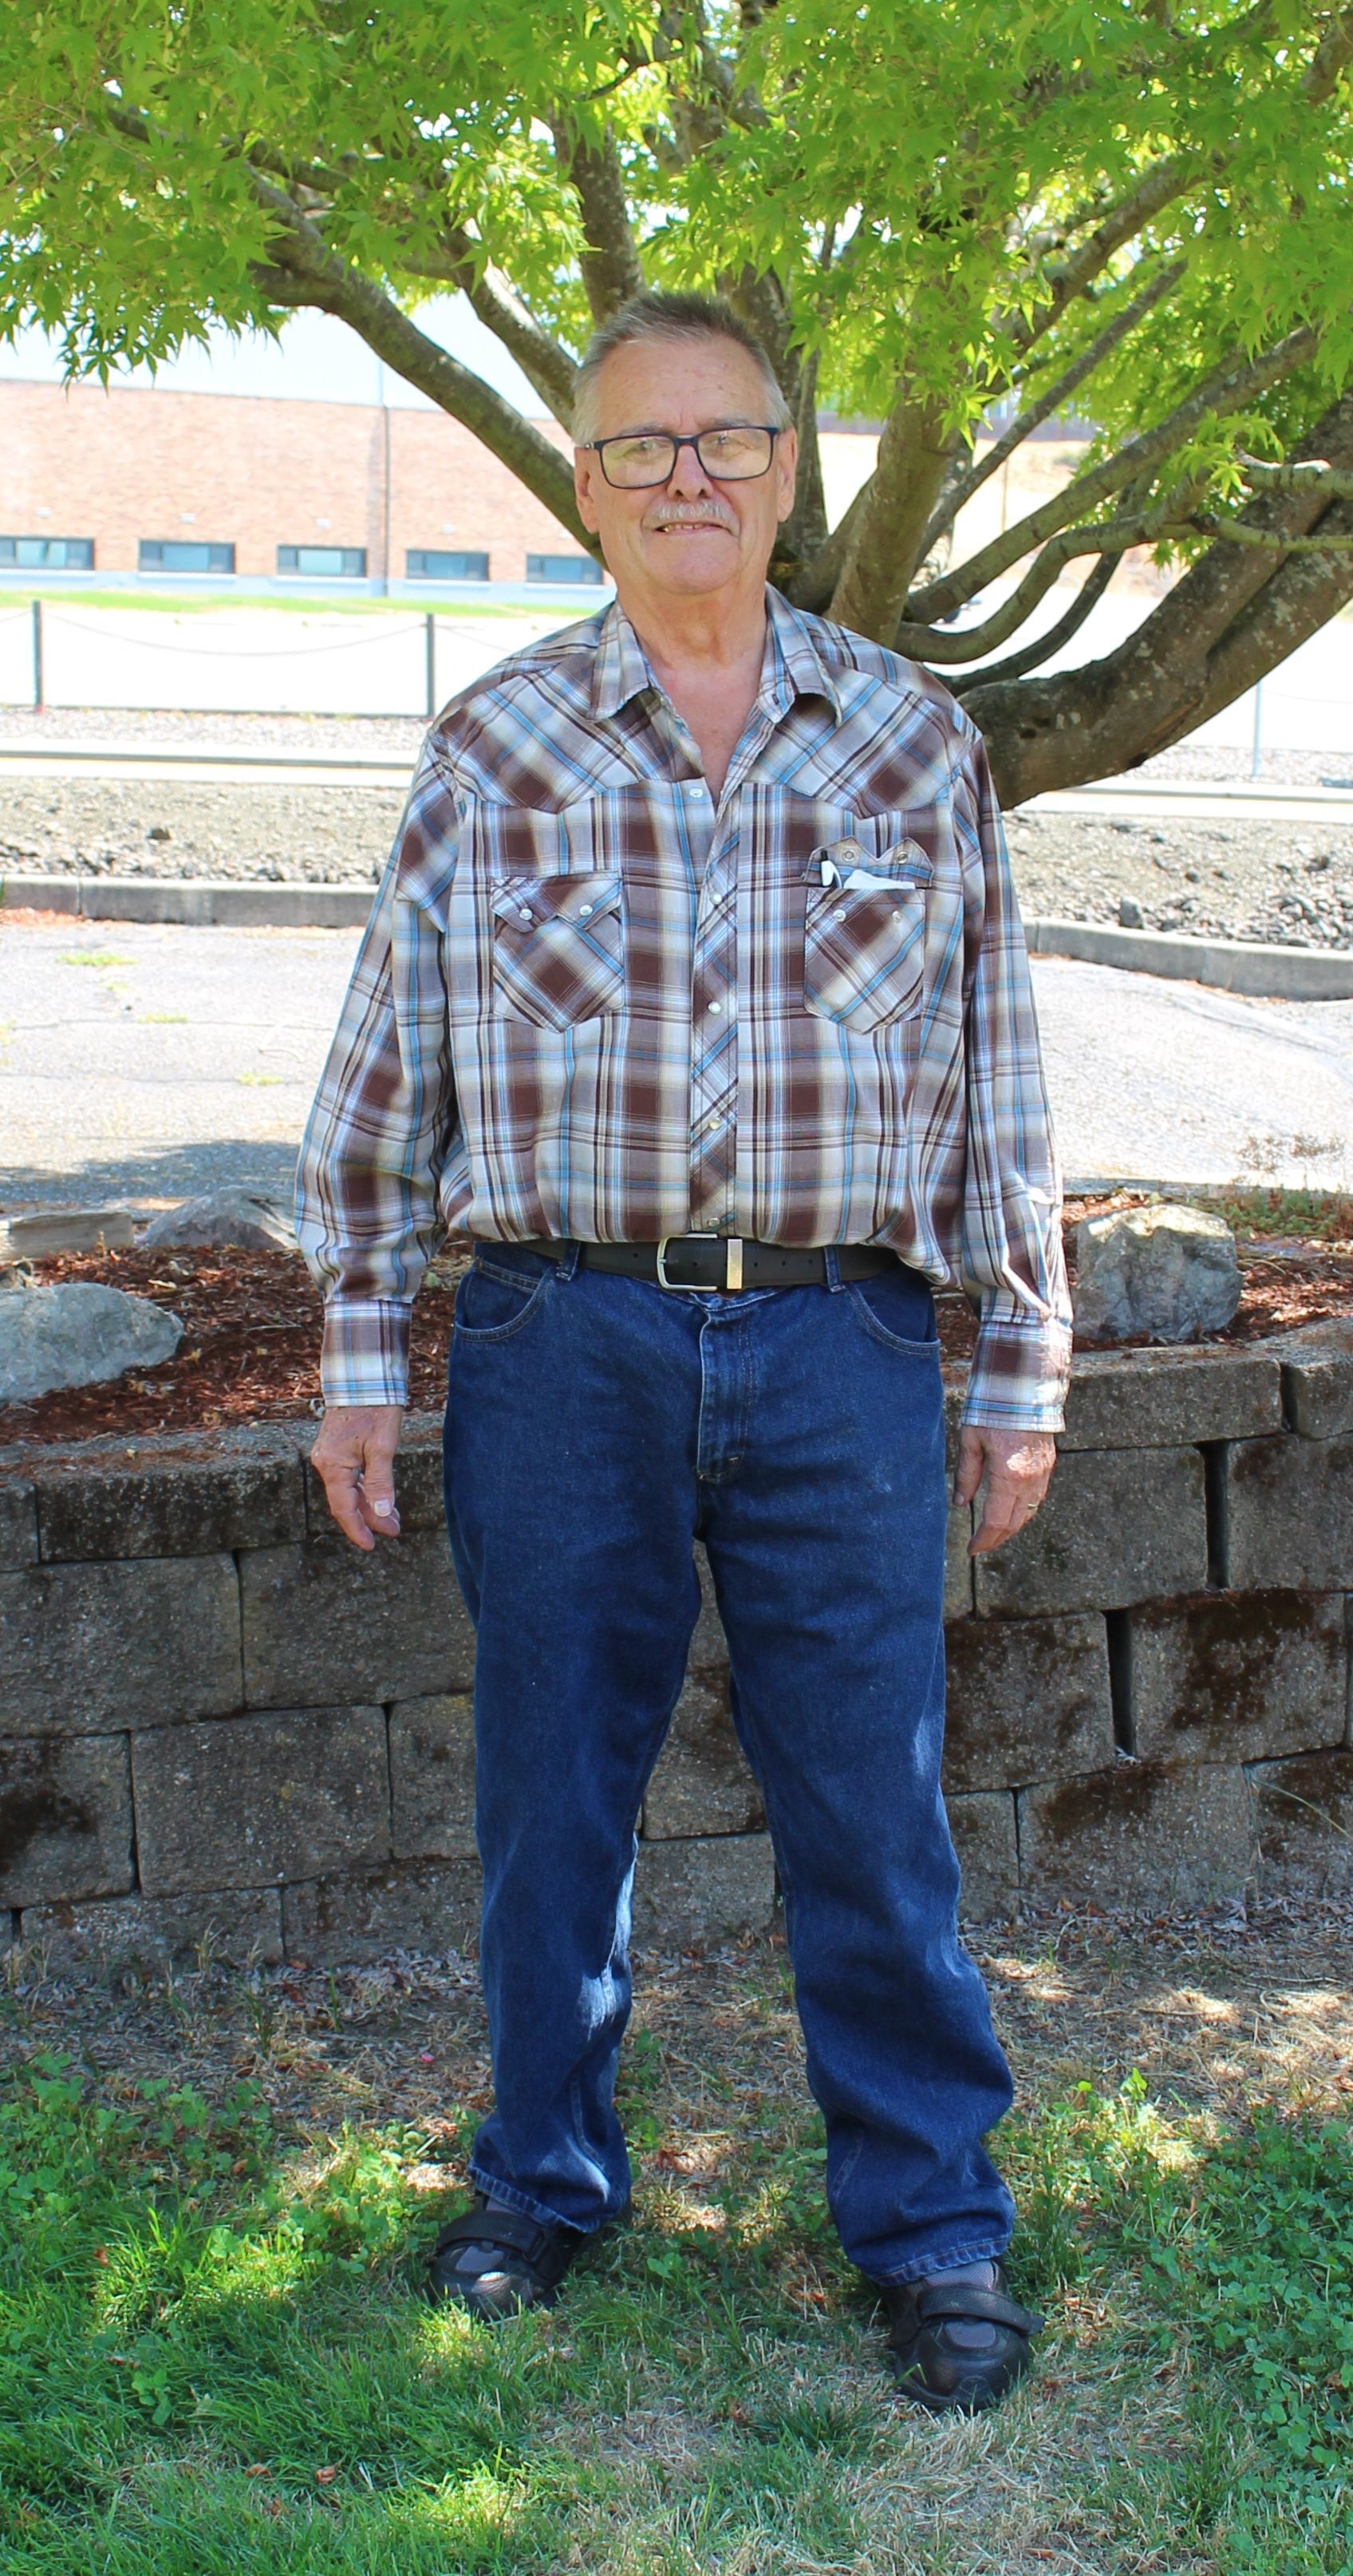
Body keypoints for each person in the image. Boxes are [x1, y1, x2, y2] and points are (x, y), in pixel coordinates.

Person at [297, 290, 1071, 2412]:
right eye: (639, 448)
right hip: (563, 1344)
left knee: (874, 1814)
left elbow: (997, 1078)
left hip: (841, 1346)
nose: (687, 477)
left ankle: (930, 2231)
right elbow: (381, 1098)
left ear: (790, 467)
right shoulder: (496, 748)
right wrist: (365, 1356)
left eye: (723, 439)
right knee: (555, 1803)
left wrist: (1020, 1364)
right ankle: (540, 2190)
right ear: (583, 487)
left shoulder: (918, 741)